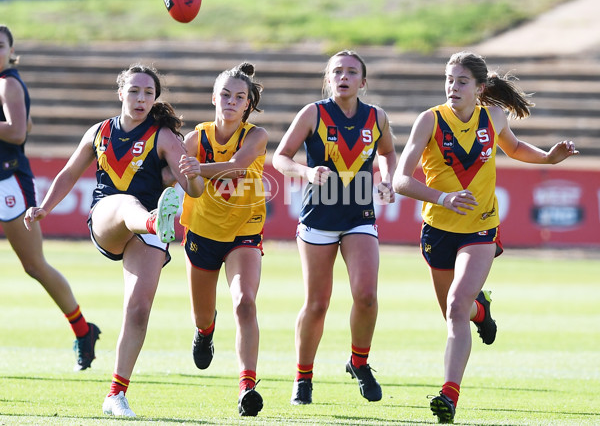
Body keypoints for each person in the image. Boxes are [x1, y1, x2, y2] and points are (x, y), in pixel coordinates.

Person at [392, 51, 578, 423]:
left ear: (479, 89)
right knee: (454, 311)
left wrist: (548, 159)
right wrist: (443, 197)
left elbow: (513, 147)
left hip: (481, 228)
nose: (452, 87)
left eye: (461, 81)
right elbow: (400, 180)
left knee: (456, 307)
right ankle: (483, 309)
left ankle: (449, 394)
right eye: (449, 79)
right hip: (438, 229)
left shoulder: (492, 116)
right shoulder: (429, 121)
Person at [24, 63, 204, 418]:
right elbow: (69, 172)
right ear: (120, 92)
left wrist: (193, 177)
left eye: (148, 93)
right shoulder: (100, 131)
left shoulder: (164, 137)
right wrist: (43, 207)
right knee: (126, 204)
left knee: (138, 309)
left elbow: (194, 189)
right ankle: (154, 220)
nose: (141, 99)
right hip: (110, 219)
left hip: (149, 232)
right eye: (134, 91)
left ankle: (116, 394)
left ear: (155, 99)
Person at [272, 50, 397, 405]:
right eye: (337, 71)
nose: (344, 77)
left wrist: (386, 179)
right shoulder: (313, 113)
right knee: (317, 304)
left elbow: (387, 154)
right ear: (328, 79)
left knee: (367, 295)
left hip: (359, 216)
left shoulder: (378, 117)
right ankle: (303, 377)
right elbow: (280, 157)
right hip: (318, 218)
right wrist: (307, 172)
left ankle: (359, 362)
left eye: (351, 72)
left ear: (363, 81)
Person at [0, 24, 100, 371]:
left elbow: (16, 130)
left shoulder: (8, 81)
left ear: (11, 52)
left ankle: (83, 329)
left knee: (35, 265)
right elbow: (26, 126)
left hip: (8, 180)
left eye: (0, 46)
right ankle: (84, 330)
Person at [179, 62, 267, 417]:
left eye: (240, 97)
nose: (232, 101)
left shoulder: (255, 135)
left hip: (245, 230)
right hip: (202, 231)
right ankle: (205, 331)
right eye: (226, 95)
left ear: (247, 104)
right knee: (202, 314)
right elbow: (180, 177)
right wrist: (183, 180)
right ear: (214, 97)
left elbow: (239, 166)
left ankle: (247, 386)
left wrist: (197, 168)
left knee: (245, 302)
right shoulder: (195, 138)